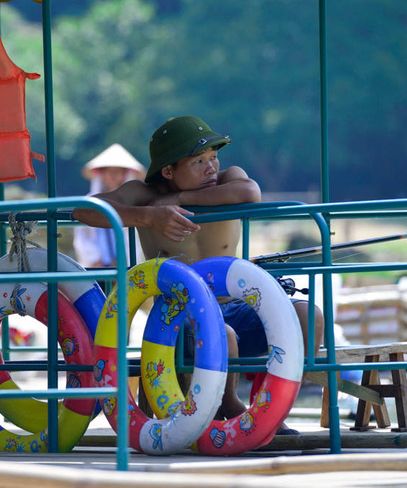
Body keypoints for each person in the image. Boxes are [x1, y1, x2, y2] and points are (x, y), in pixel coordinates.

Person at [73, 116, 323, 431]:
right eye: (199, 161)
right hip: (179, 315)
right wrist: (150, 217)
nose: (211, 167)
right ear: (168, 171)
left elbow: (250, 192)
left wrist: (179, 200)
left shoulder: (228, 180)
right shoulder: (145, 194)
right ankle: (231, 408)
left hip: (234, 304)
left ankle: (270, 408)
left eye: (213, 157)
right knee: (223, 334)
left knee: (307, 314)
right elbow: (84, 210)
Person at [72, 143, 146, 268]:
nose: (113, 176)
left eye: (118, 171)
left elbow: (134, 238)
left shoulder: (133, 203)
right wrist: (94, 258)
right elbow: (81, 237)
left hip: (124, 264)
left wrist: (123, 258)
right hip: (96, 265)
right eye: (109, 171)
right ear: (101, 174)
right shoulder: (88, 202)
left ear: (125, 174)